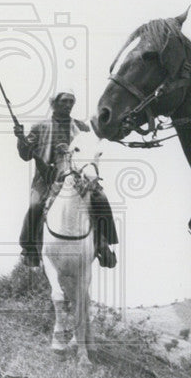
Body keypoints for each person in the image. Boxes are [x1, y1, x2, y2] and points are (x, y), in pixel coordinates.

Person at [15, 89, 118, 268]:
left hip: (79, 179)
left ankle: (103, 243)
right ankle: (29, 249)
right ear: (54, 103)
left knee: (100, 198)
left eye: (71, 101)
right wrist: (20, 139)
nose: (68, 105)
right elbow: (25, 155)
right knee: (35, 206)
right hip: (46, 180)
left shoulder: (82, 128)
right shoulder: (39, 127)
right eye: (64, 101)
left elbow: (91, 150)